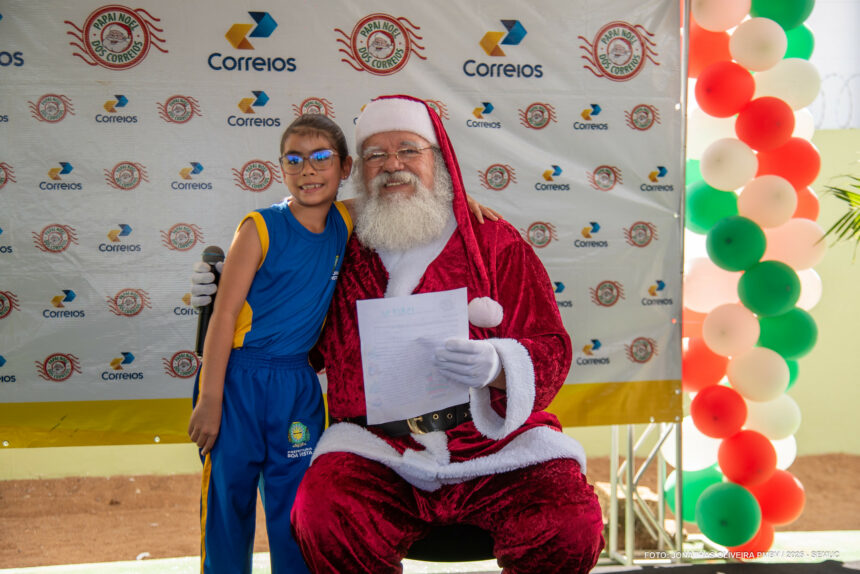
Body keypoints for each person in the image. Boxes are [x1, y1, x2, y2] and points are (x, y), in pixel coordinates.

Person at [290, 95, 605, 573]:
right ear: (360, 171)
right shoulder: (336, 249)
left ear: (439, 159)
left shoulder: (495, 243)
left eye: (409, 150)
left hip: (493, 447)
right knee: (323, 508)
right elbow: (297, 337)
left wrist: (500, 364)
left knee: (570, 520)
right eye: (376, 155)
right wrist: (233, 295)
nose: (393, 165)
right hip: (381, 450)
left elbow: (552, 348)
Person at [188, 112, 498, 574]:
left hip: (297, 383)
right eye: (294, 160)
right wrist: (211, 400)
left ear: (345, 168)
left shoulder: (343, 219)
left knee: (293, 502)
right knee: (228, 499)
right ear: (281, 167)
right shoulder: (258, 227)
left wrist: (463, 202)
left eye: (320, 159)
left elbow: (397, 194)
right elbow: (225, 315)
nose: (308, 170)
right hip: (240, 378)